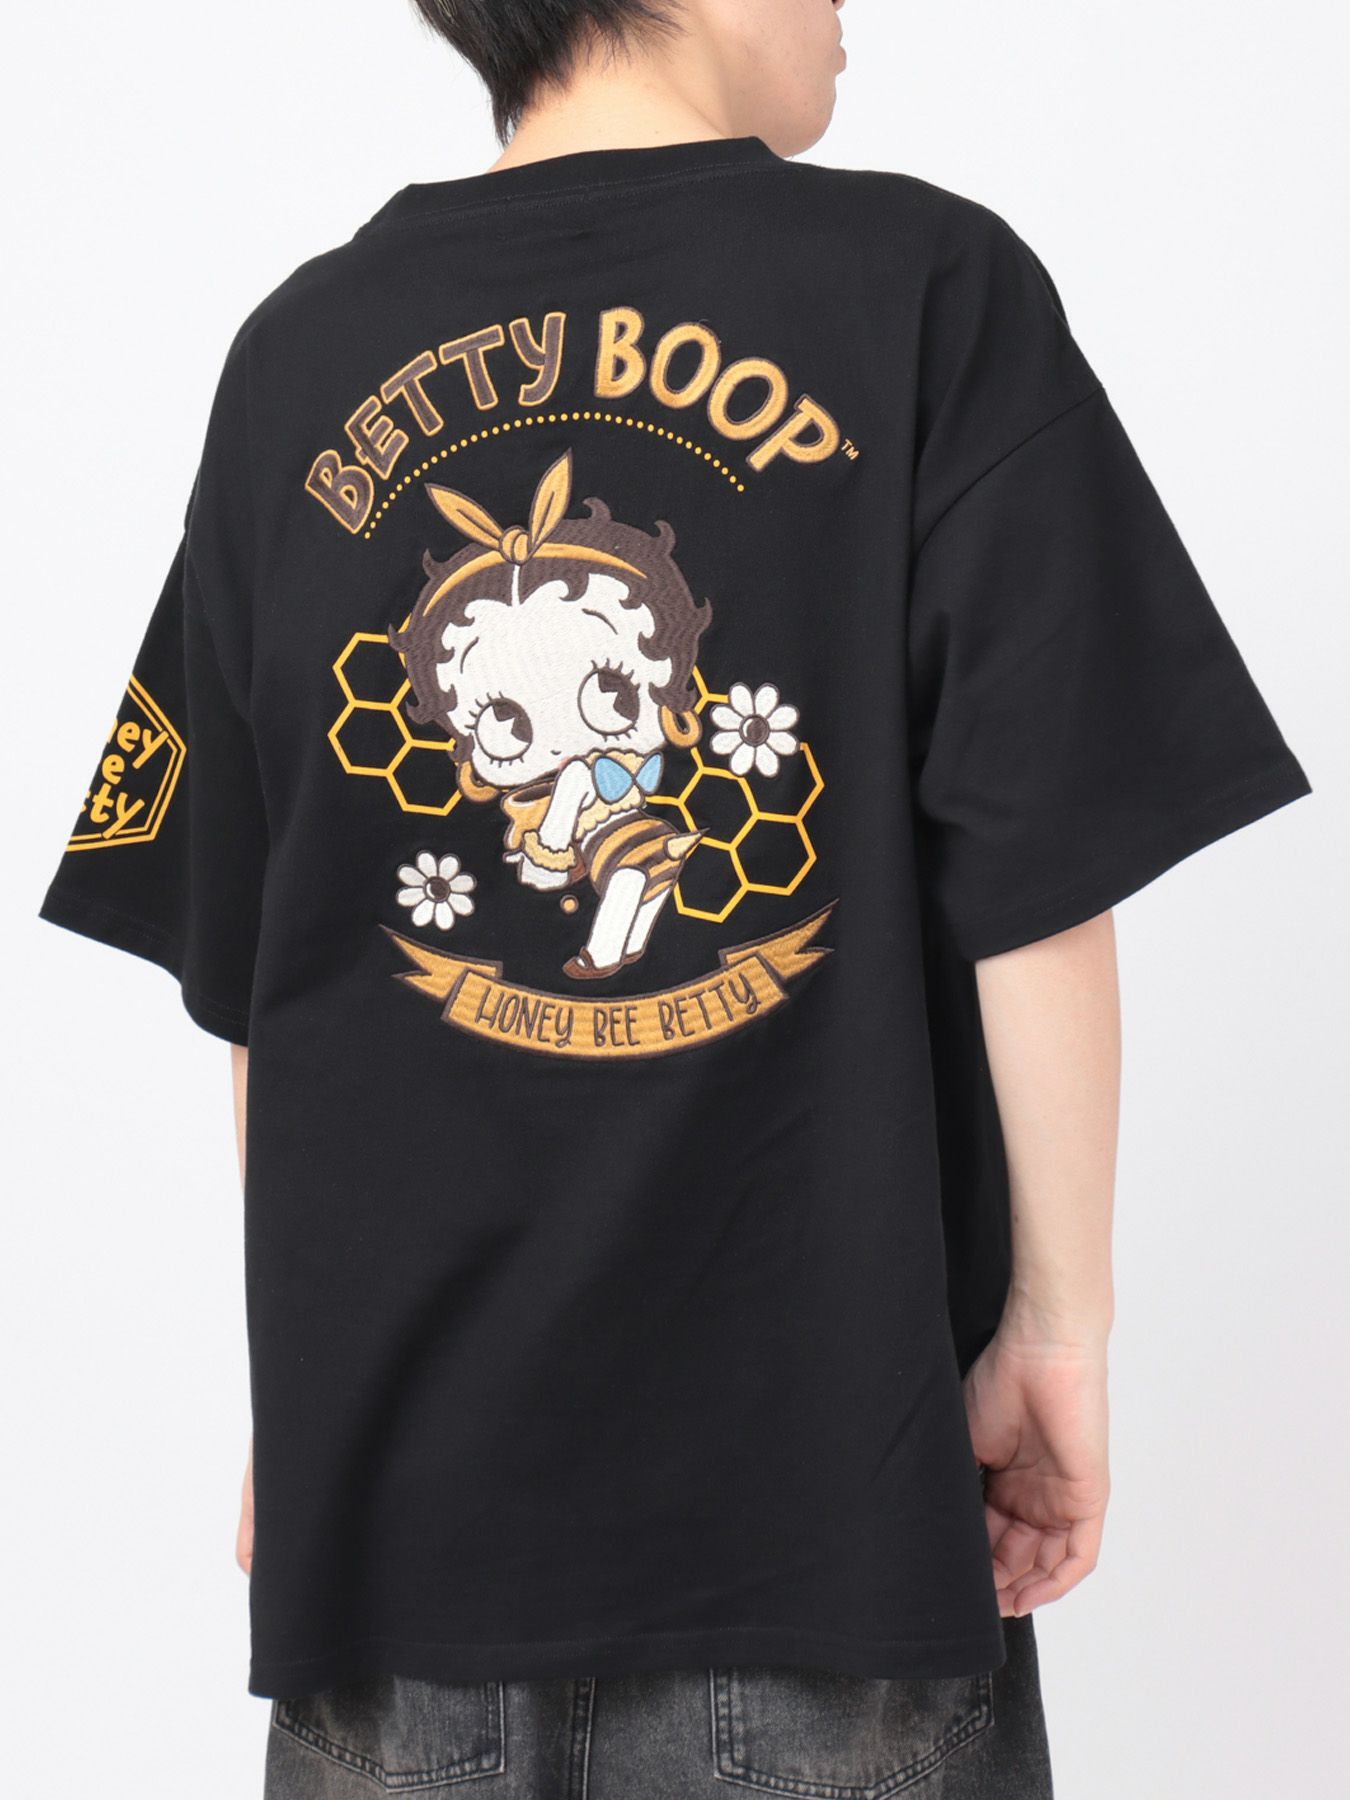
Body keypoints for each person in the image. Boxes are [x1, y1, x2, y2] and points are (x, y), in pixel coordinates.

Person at [38, 2, 1310, 1795]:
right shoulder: (924, 290)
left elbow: (262, 973)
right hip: (826, 1529)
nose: (852, 12)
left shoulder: (293, 360)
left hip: (406, 1545)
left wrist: (307, 1398)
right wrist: (1055, 1330)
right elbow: (1038, 882)